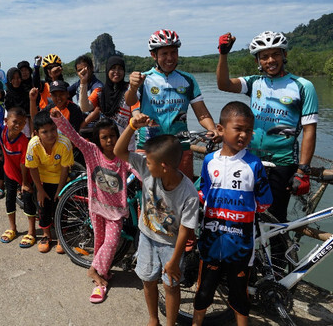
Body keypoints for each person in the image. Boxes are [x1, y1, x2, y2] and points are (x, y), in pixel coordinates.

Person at [215, 31, 318, 222]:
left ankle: (279, 253)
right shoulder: (255, 83)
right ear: (258, 61)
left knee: (276, 219)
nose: (270, 60)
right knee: (245, 213)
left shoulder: (303, 86)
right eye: (264, 56)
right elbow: (223, 84)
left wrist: (303, 171)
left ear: (284, 55)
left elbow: (309, 130)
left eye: (275, 54)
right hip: (250, 159)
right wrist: (223, 53)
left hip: (283, 163)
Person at [114, 112, 200, 326]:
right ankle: (153, 319)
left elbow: (185, 229)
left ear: (164, 167)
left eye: (150, 162)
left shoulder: (188, 193)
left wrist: (174, 261)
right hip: (147, 237)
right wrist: (132, 125)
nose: (145, 164)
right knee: (148, 280)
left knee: (171, 285)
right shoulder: (148, 168)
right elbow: (119, 151)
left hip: (172, 245)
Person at [192, 101, 273, 326]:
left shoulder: (254, 164)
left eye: (248, 130)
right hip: (210, 242)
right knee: (204, 291)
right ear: (220, 129)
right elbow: (203, 191)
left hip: (241, 245)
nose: (244, 135)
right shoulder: (209, 161)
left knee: (239, 296)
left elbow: (265, 201)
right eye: (238, 128)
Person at [50, 109, 130, 304]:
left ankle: (95, 270)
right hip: (96, 207)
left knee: (111, 243)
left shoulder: (123, 157)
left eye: (112, 136)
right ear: (98, 140)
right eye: (104, 138)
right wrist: (59, 119)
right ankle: (99, 277)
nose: (109, 141)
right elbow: (74, 137)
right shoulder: (91, 152)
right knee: (100, 242)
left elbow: (139, 167)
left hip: (116, 211)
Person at [125, 29, 219, 178]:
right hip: (149, 147)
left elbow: (202, 114)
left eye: (174, 52)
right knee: (150, 196)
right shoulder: (144, 79)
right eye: (164, 54)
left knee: (184, 192)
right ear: (153, 55)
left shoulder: (188, 80)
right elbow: (130, 101)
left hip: (180, 146)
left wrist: (212, 128)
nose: (170, 58)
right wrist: (133, 87)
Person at [0, 106, 37, 248]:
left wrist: (24, 183)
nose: (18, 125)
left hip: (24, 174)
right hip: (9, 171)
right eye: (15, 121)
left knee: (28, 200)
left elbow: (24, 164)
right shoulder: (0, 131)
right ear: (6, 121)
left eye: (22, 123)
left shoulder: (23, 141)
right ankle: (12, 228)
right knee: (9, 198)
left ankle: (32, 231)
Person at [25, 110, 74, 253]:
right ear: (36, 133)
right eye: (44, 132)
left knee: (61, 208)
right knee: (43, 208)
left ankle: (60, 236)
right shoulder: (33, 144)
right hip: (42, 180)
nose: (50, 134)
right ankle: (47, 235)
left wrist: (60, 190)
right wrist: (40, 190)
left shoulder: (64, 143)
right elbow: (32, 168)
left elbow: (65, 170)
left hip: (61, 180)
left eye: (53, 129)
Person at [79, 55, 139, 148]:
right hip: (105, 145)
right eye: (113, 68)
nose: (116, 72)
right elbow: (85, 107)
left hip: (125, 146)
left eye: (120, 68)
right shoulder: (100, 92)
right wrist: (83, 82)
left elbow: (135, 109)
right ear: (107, 70)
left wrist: (139, 118)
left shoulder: (130, 90)